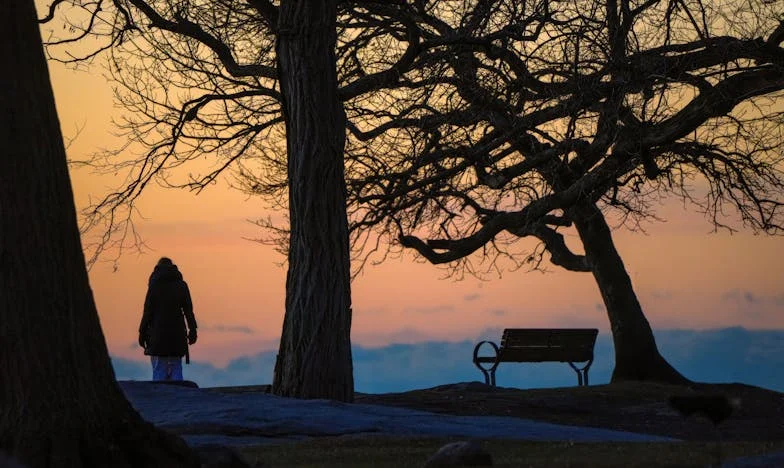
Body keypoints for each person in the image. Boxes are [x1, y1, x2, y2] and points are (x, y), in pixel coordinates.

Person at [138, 257, 198, 381]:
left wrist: (142, 332)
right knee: (176, 367)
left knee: (159, 367)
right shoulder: (181, 285)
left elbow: (147, 311)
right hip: (177, 334)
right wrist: (193, 330)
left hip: (157, 334)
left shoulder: (154, 286)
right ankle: (179, 396)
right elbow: (188, 311)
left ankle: (159, 398)